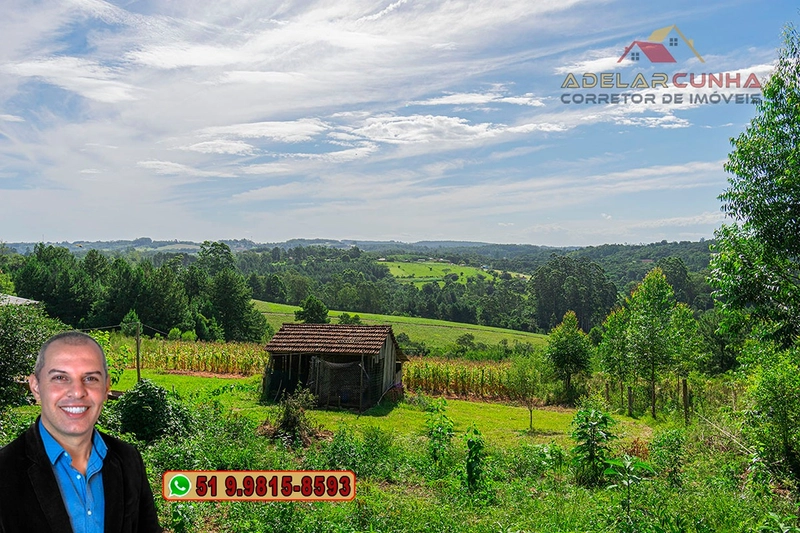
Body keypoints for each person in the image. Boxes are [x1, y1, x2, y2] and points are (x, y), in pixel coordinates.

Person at [0, 331, 162, 533]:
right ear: (36, 387)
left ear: (106, 388)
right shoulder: (4, 471)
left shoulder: (128, 459)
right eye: (60, 377)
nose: (77, 392)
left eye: (91, 378)